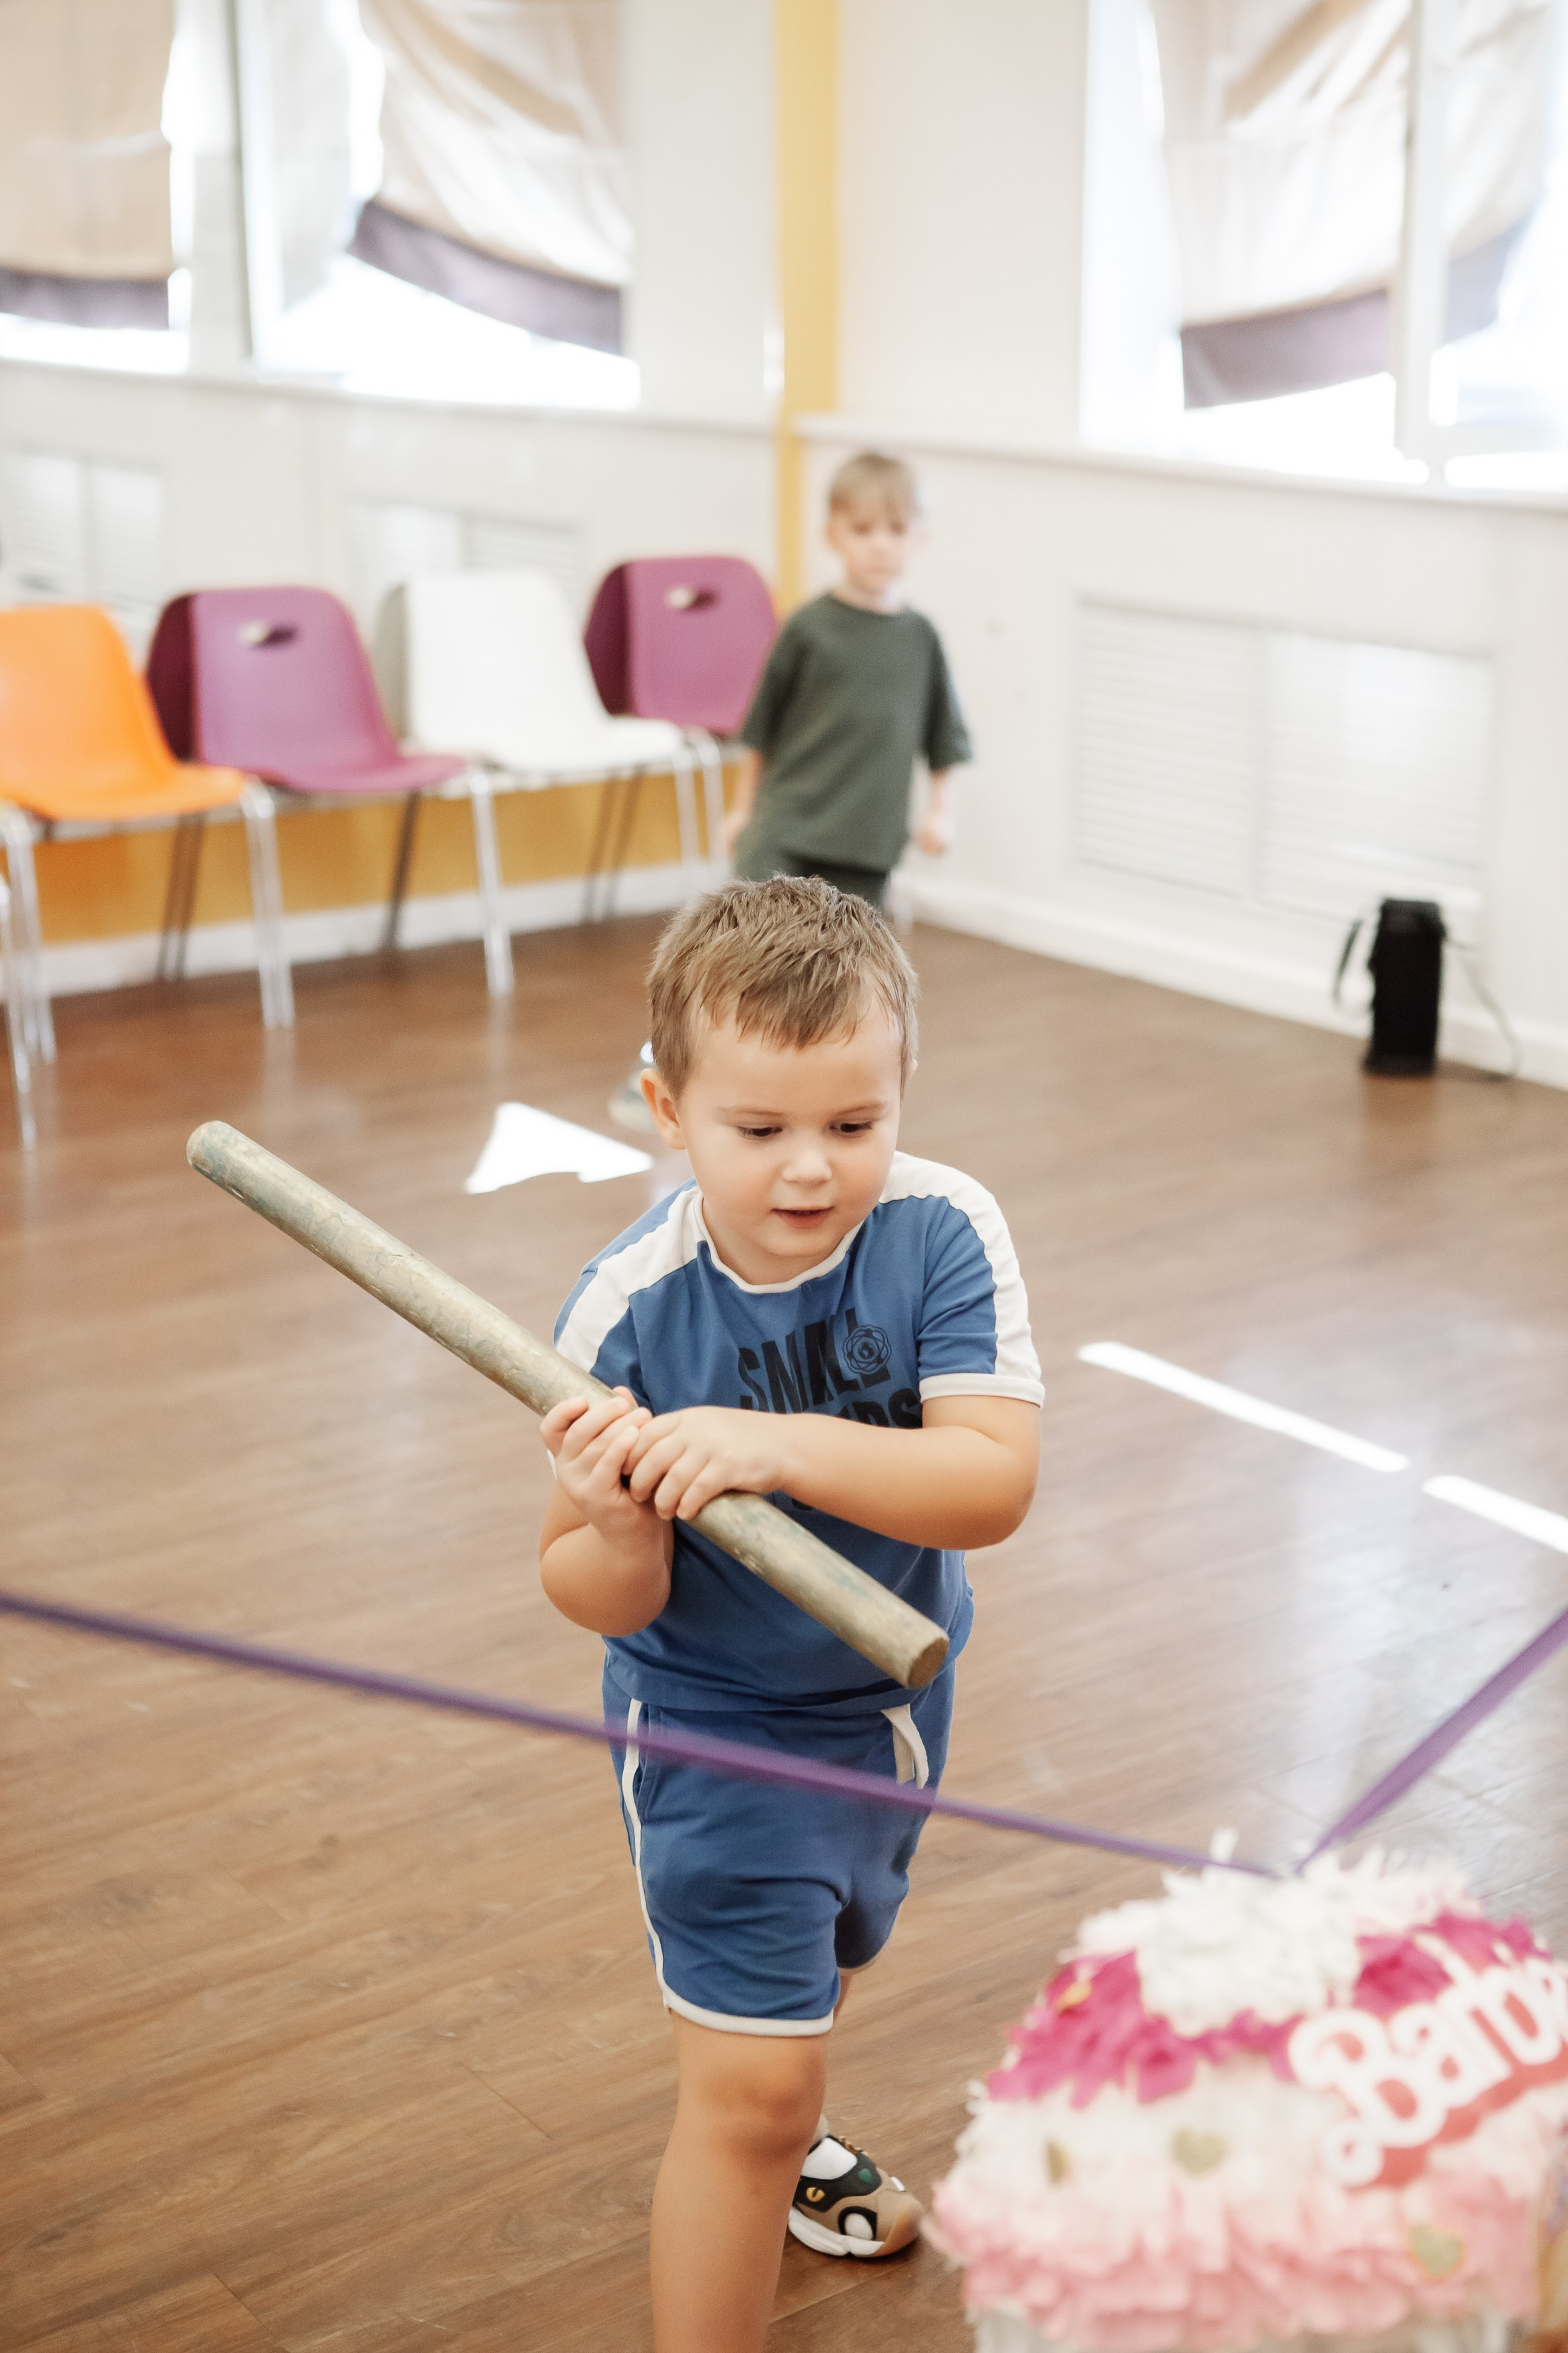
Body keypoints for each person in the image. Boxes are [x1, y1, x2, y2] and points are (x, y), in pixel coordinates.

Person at [538, 877, 1041, 2353]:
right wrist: (623, 1524)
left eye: (851, 1123)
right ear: (664, 1107)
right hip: (710, 1724)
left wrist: (765, 1446)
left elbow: (988, 1482)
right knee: (745, 2092)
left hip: (891, 1697)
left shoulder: (943, 1229)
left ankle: (786, 2127)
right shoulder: (622, 1313)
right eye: (757, 1130)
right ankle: (767, 2133)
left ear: (899, 1095)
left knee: (818, 1978)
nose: (810, 1169)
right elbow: (579, 1581)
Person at [725, 448, 971, 908]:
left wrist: (942, 814)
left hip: (867, 843)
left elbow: (944, 739)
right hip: (787, 830)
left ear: (919, 538)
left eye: (896, 530)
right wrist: (742, 811)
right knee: (754, 953)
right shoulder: (806, 628)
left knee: (843, 971)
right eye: (862, 530)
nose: (880, 545)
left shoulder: (921, 638)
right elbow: (761, 728)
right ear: (833, 536)